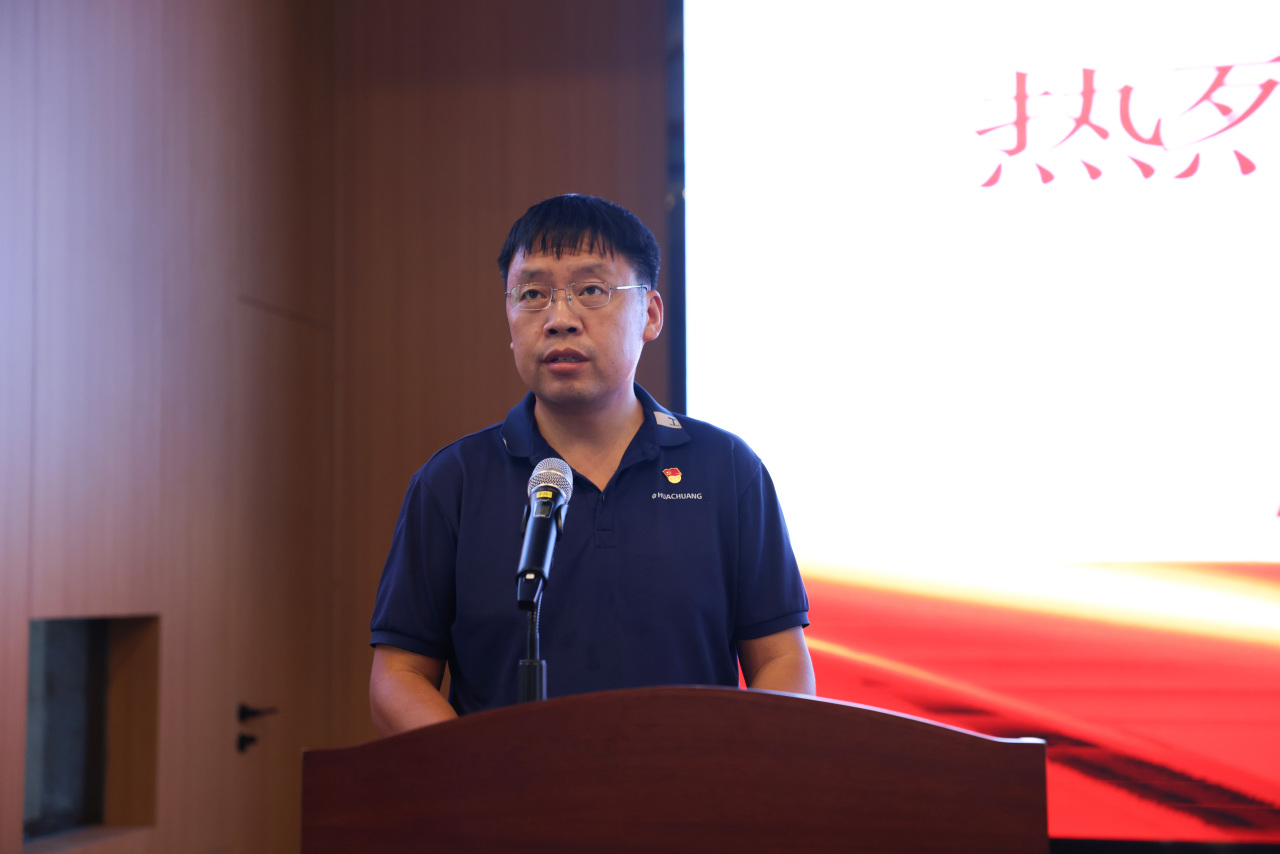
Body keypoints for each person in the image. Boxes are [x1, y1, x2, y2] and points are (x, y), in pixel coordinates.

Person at [369, 194, 813, 734]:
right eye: (533, 294)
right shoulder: (453, 481)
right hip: (503, 788)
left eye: (591, 291)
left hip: (692, 784)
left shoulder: (727, 470)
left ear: (650, 314)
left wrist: (739, 767)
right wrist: (475, 773)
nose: (559, 320)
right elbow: (399, 675)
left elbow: (780, 659)